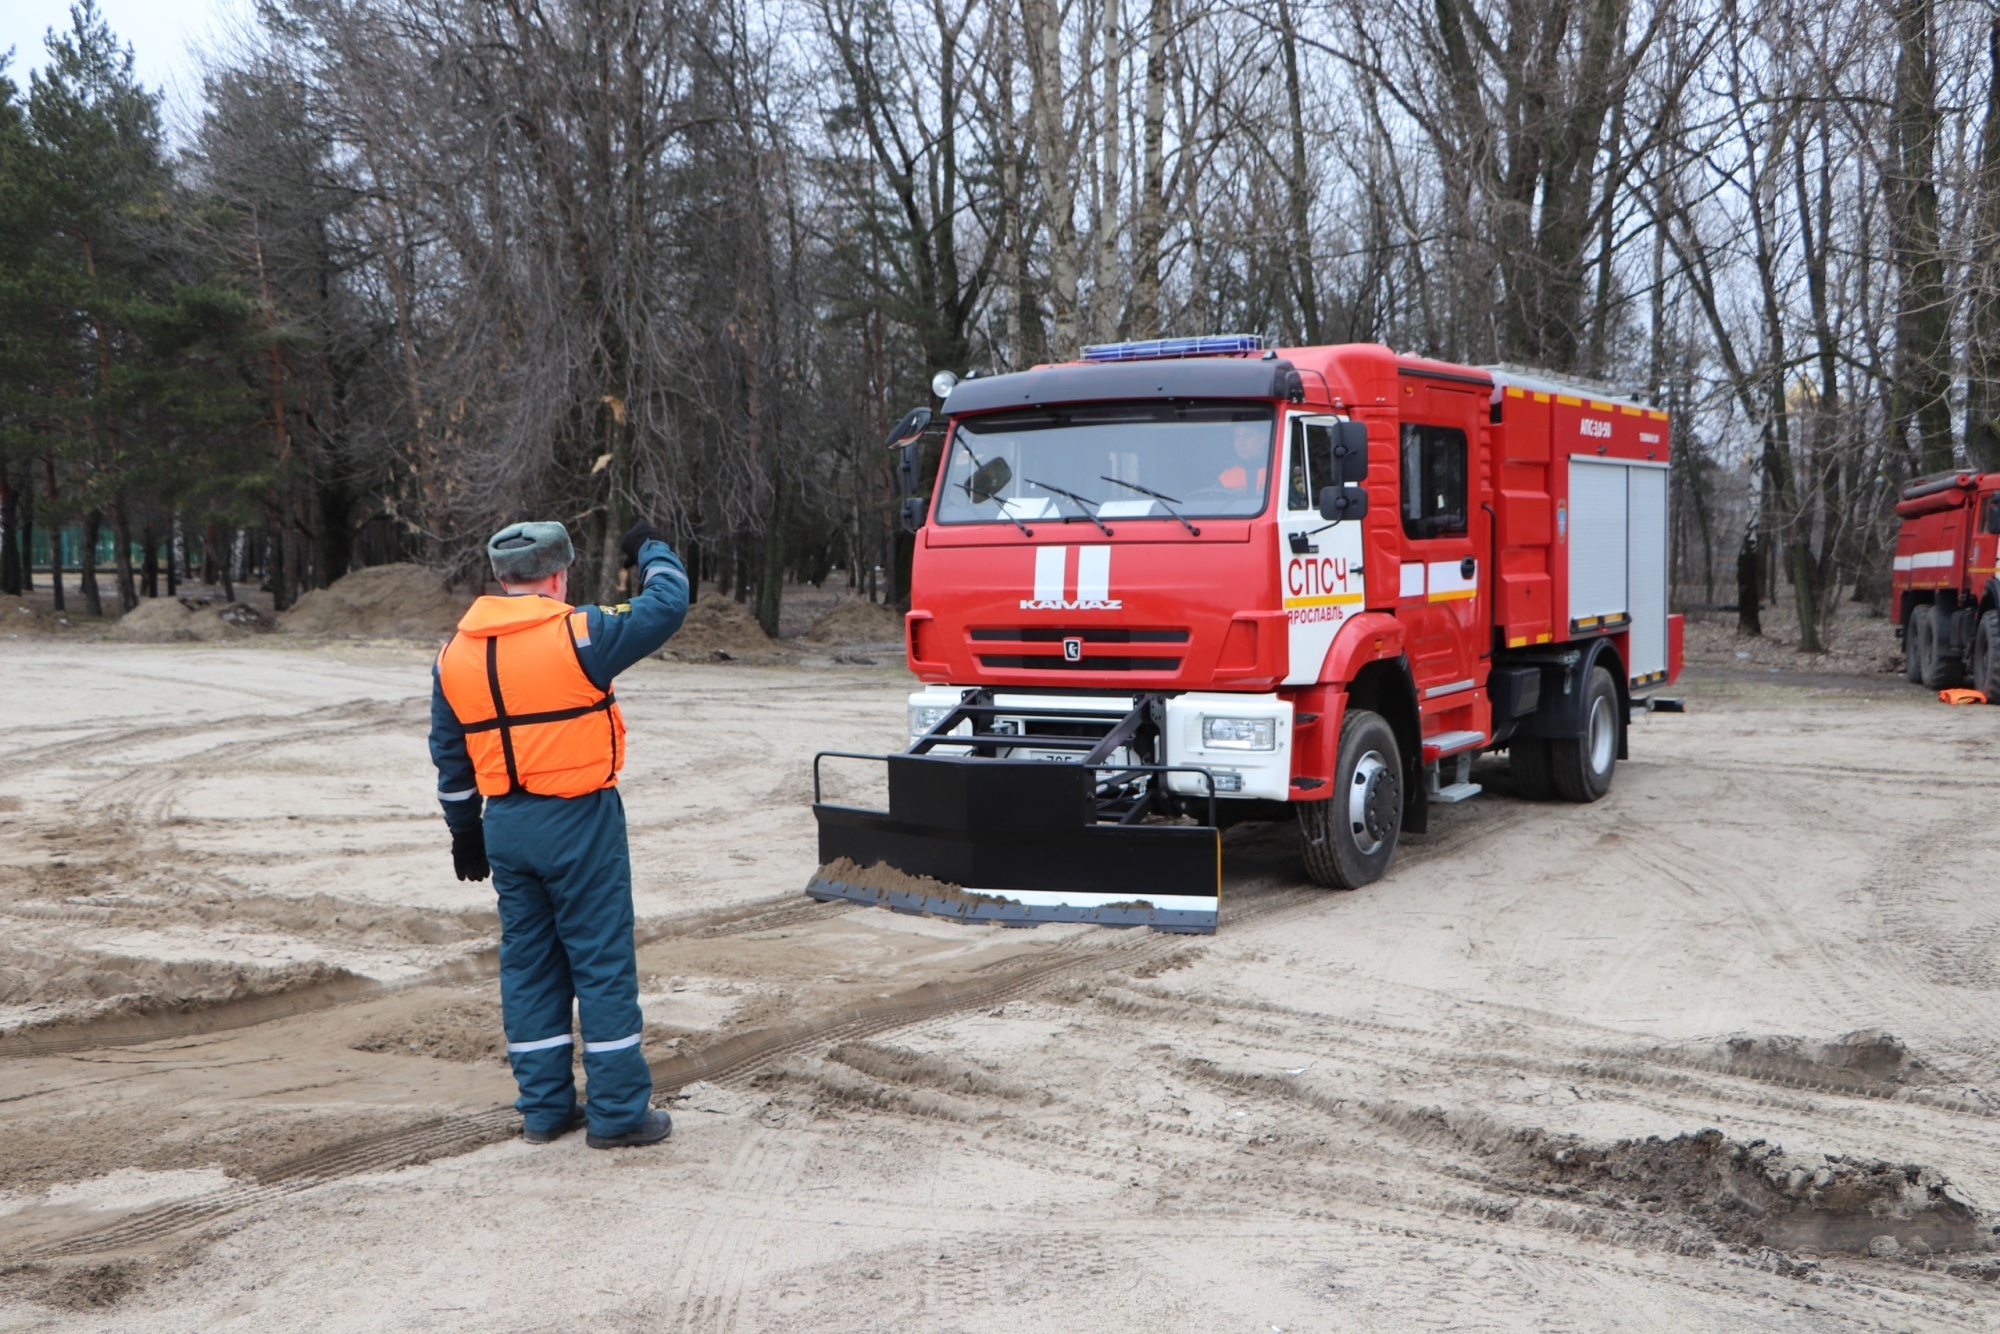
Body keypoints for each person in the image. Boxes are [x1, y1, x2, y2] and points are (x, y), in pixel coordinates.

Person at [430, 518, 689, 1148]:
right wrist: (650, 548)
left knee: (529, 966)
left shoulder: (453, 655)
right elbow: (667, 603)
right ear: (558, 575)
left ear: (500, 577)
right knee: (599, 965)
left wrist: (466, 833)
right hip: (579, 821)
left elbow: (450, 756)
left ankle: (544, 1111)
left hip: (506, 827)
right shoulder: (581, 633)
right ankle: (620, 1115)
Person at [1218, 421, 1270, 493]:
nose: (1241, 443)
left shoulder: (1278, 472)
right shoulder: (1226, 478)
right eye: (1237, 437)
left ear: (1264, 438)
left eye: (1248, 436)